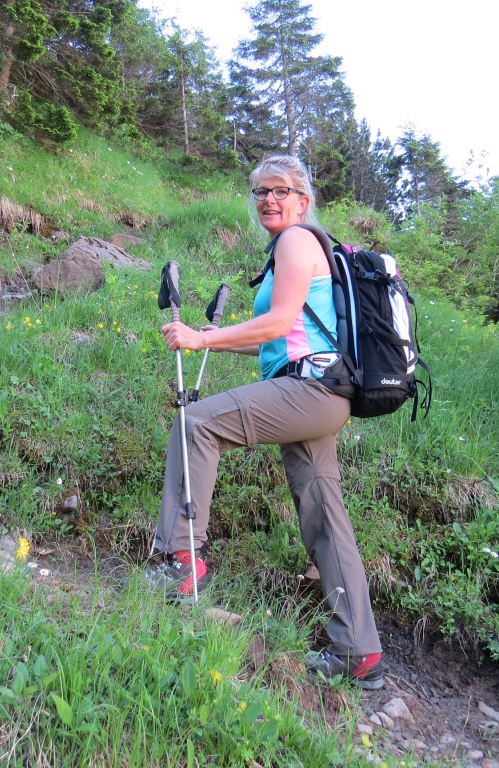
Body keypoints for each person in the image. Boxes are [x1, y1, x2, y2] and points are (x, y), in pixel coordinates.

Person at [145, 154, 385, 689]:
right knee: (325, 513)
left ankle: (181, 561)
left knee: (196, 424)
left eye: (281, 191)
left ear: (303, 200)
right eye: (260, 192)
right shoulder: (302, 247)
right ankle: (359, 649)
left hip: (312, 388)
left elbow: (277, 321)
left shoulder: (298, 241)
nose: (269, 200)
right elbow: (276, 341)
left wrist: (201, 337)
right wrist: (213, 342)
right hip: (321, 391)